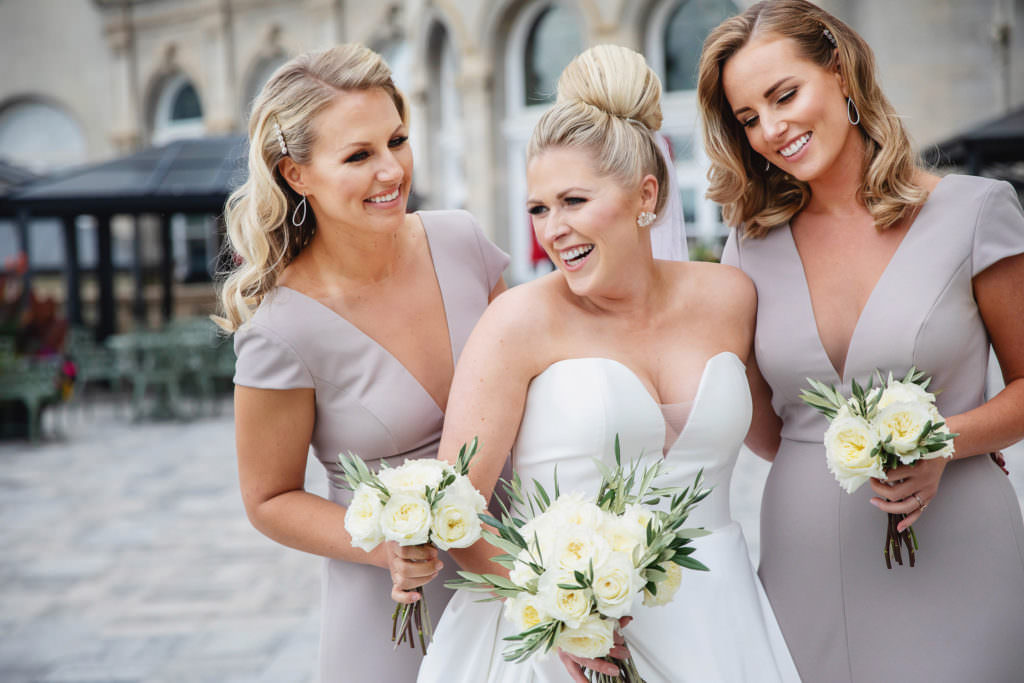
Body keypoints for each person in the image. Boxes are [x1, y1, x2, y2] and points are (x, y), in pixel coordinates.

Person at [408, 44, 799, 683]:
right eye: (539, 209)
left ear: (646, 194)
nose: (551, 230)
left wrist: (893, 439)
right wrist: (557, 616)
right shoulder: (518, 322)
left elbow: (783, 437)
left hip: (720, 622)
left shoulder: (730, 297)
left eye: (573, 201)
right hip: (563, 645)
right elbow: (457, 512)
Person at [698, 1, 1024, 680]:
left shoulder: (974, 212)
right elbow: (764, 427)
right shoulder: (748, 248)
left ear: (841, 72)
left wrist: (945, 441)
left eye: (784, 95)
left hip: (961, 544)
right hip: (805, 559)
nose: (771, 130)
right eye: (748, 118)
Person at [217, 44, 508, 682]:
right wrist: (385, 547)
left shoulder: (462, 242)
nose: (391, 170)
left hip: (522, 579)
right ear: (296, 174)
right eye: (358, 156)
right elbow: (268, 498)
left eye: (397, 141)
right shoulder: (281, 330)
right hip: (398, 616)